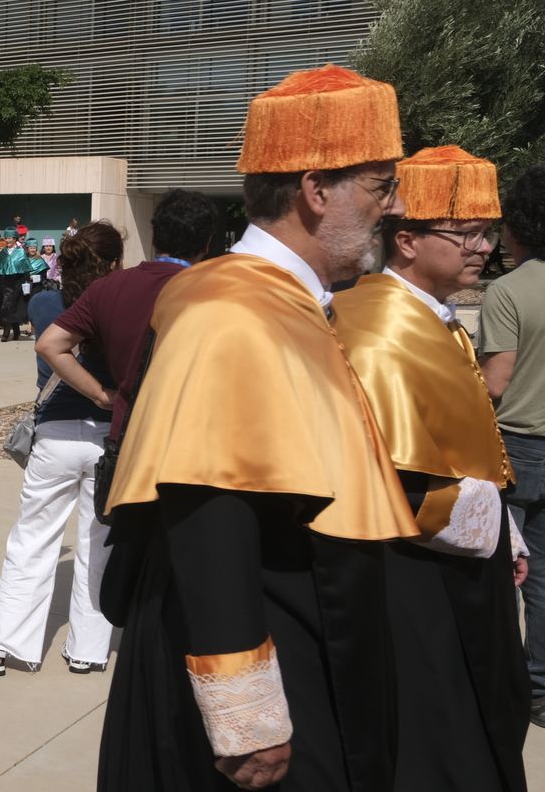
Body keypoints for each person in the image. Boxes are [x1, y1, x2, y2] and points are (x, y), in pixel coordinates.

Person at [97, 64, 418, 792]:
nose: (391, 208)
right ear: (315, 190)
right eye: (378, 185)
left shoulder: (280, 298)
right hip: (258, 638)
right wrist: (247, 715)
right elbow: (210, 505)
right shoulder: (230, 309)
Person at [332, 146, 526, 792]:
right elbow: (393, 473)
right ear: (407, 239)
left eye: (487, 231)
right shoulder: (382, 326)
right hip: (415, 572)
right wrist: (490, 524)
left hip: (459, 557)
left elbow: (458, 437)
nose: (482, 247)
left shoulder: (430, 314)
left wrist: (507, 529)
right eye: (466, 231)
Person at [0, 222, 122, 677]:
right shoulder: (119, 307)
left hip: (54, 435)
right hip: (106, 437)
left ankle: (3, 646)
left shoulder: (43, 302)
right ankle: (88, 650)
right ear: (113, 263)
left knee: (32, 540)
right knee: (98, 544)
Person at [38, 189, 219, 485]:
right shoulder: (215, 292)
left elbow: (49, 344)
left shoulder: (109, 287)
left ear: (154, 236)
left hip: (125, 437)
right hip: (187, 444)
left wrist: (98, 393)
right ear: (207, 243)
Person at [481, 164, 545, 727]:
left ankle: (497, 677)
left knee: (503, 564)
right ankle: (542, 684)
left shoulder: (508, 291)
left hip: (519, 447)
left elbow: (494, 382)